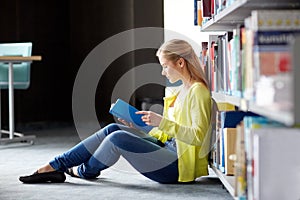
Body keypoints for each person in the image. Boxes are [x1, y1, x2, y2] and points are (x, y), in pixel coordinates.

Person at [19, 39, 213, 184]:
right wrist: (141, 126)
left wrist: (161, 121)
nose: (163, 72)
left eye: (164, 66)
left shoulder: (198, 92)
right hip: (167, 148)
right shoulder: (181, 90)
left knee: (117, 139)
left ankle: (83, 171)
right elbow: (168, 134)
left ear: (180, 62)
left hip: (177, 166)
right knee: (112, 128)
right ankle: (55, 165)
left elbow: (198, 136)